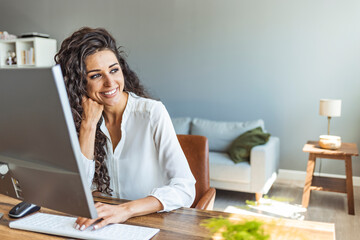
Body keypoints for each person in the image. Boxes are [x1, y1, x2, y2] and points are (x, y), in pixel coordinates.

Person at [55, 27, 196, 231]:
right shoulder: (80, 119)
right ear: (79, 83)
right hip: (103, 226)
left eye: (114, 70)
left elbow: (185, 189)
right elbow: (77, 193)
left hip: (153, 225)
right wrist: (88, 125)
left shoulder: (151, 113)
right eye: (96, 76)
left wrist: (125, 210)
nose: (110, 82)